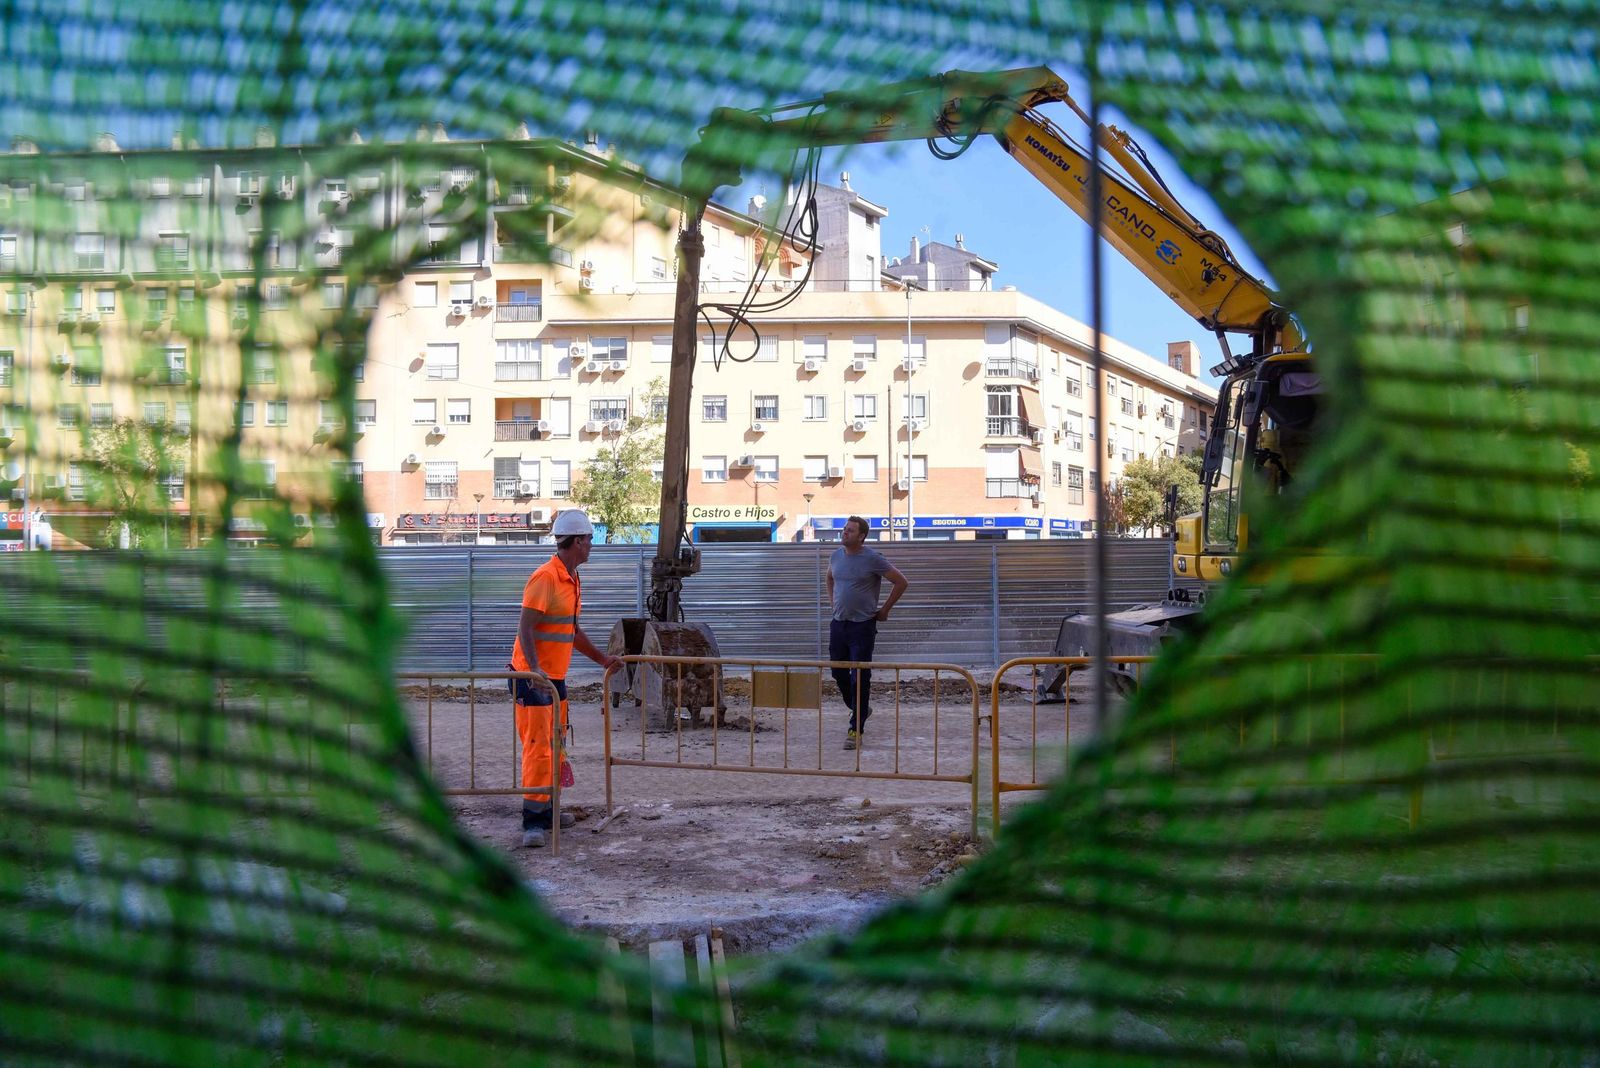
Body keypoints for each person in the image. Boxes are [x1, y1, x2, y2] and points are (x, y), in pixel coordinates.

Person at [509, 508, 621, 848]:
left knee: (556, 745)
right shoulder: (545, 578)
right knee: (538, 748)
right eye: (589, 539)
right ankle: (533, 821)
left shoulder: (571, 579)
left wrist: (602, 659)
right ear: (576, 542)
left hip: (553, 676)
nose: (592, 545)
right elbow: (526, 627)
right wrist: (534, 669)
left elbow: (570, 631)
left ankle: (549, 811)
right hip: (532, 677)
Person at [826, 515, 909, 751]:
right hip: (838, 624)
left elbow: (901, 582)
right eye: (845, 529)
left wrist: (884, 610)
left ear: (861, 536)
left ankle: (856, 729)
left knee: (860, 677)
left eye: (850, 530)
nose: (845, 533)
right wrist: (833, 603)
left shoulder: (873, 558)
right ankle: (859, 708)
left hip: (862, 627)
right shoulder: (836, 556)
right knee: (837, 672)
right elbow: (830, 577)